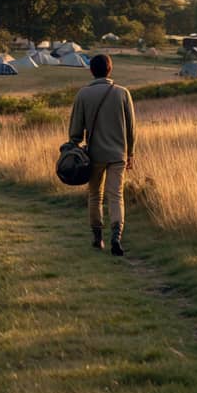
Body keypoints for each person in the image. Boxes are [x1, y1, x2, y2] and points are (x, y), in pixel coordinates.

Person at [67, 53, 136, 255]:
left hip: (94, 155)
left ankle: (98, 238)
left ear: (91, 71)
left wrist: (73, 150)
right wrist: (131, 152)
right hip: (118, 155)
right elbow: (131, 129)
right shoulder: (123, 93)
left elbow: (75, 132)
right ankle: (116, 236)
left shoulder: (83, 94)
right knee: (116, 196)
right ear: (110, 69)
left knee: (95, 196)